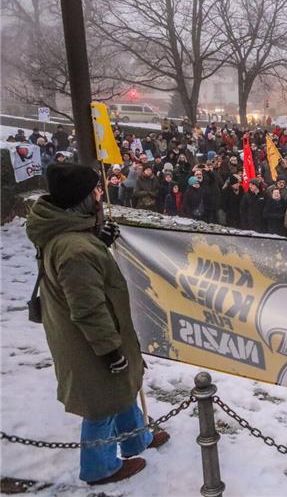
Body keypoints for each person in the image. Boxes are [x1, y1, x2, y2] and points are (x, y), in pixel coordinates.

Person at [26, 163, 169, 485]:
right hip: (88, 341)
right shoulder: (75, 250)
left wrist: (97, 239)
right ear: (81, 199)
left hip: (94, 334)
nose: (100, 193)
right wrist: (109, 350)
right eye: (94, 190)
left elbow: (81, 272)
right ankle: (100, 467)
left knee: (121, 387)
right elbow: (87, 307)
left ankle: (135, 439)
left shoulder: (71, 235)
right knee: (100, 403)